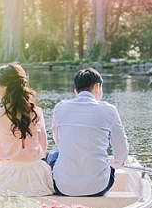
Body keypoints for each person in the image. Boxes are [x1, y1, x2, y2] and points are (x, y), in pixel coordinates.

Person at [48, 68, 129, 196]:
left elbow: (59, 141)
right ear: (97, 87)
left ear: (76, 91)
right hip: (98, 187)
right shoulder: (109, 110)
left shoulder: (60, 108)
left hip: (63, 187)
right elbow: (122, 149)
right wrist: (116, 163)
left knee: (53, 155)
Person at [0, 63, 54, 196]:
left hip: (8, 174)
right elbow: (43, 146)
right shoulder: (37, 111)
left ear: (4, 87)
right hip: (36, 175)